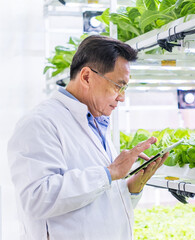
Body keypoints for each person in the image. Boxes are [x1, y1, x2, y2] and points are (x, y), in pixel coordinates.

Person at [7, 35, 168, 240]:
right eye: (118, 85)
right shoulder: (40, 123)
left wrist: (132, 189)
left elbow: (96, 207)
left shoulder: (96, 122)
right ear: (86, 77)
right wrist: (110, 172)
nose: (122, 97)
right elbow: (36, 199)